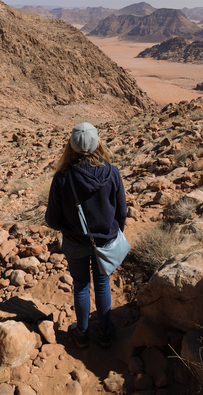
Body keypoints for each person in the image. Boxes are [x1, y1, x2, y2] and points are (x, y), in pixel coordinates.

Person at [45, 122, 127, 349]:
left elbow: (52, 220)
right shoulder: (112, 172)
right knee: (102, 284)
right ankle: (106, 333)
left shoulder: (62, 177)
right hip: (106, 242)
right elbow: (121, 212)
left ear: (70, 146)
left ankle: (82, 333)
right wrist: (112, 234)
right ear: (98, 143)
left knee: (81, 285)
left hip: (75, 242)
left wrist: (69, 228)